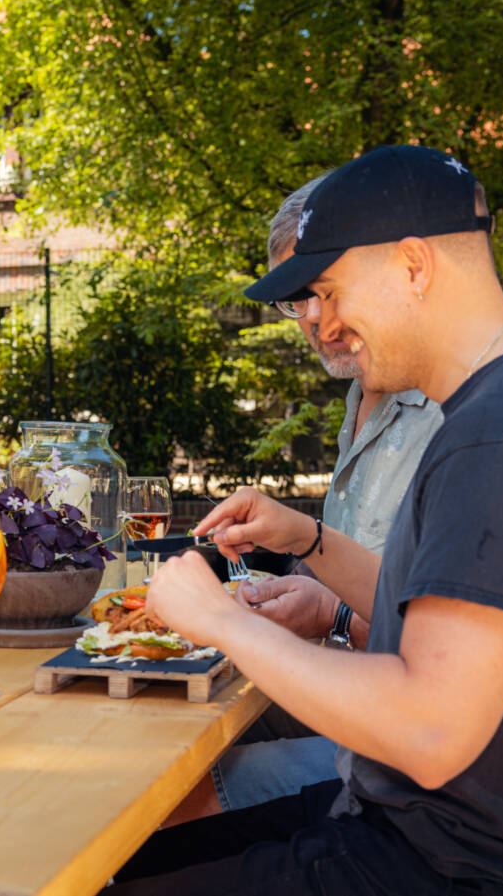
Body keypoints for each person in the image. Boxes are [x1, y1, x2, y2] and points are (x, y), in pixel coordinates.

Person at [117, 144, 503, 894]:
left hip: (462, 864)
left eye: (329, 289)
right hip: (438, 829)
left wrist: (223, 622)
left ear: (414, 266)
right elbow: (428, 613)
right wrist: (310, 538)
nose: (323, 321)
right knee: (127, 857)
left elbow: (429, 729)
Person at [181, 174, 445, 820]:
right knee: (158, 726)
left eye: (324, 291)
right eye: (296, 298)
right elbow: (360, 567)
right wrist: (296, 569)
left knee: (173, 793)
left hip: (409, 744)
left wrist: (328, 614)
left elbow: (449, 652)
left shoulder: (454, 414)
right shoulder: (365, 392)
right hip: (357, 691)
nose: (310, 318)